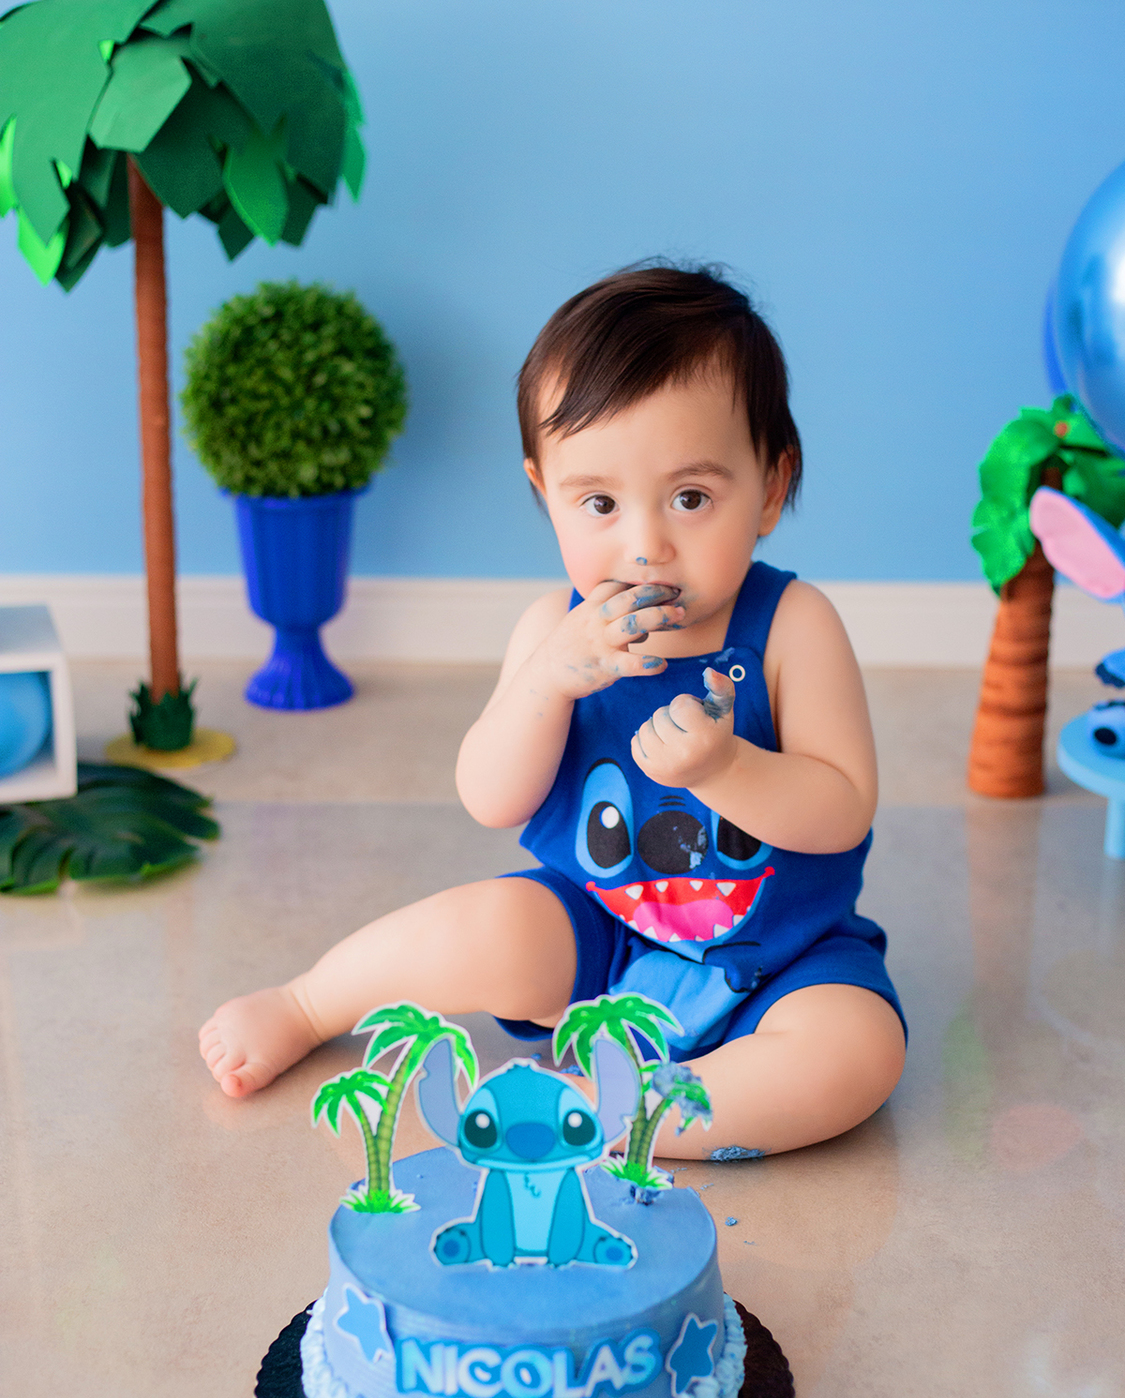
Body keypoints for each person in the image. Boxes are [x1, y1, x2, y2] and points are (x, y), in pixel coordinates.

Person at [199, 264, 906, 1154]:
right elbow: (491, 797)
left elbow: (843, 809)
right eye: (600, 503)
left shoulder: (793, 627)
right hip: (601, 939)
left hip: (785, 959)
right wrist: (546, 684)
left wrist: (727, 769)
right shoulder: (552, 630)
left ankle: (609, 1111)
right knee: (489, 924)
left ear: (770, 485)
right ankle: (308, 1001)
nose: (645, 545)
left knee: (859, 1053)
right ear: (546, 492)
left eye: (691, 498)